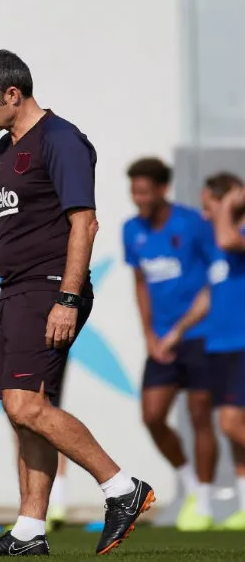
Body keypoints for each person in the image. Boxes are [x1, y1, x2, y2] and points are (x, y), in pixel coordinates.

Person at [0, 50, 153, 557]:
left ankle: (121, 488)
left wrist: (66, 297)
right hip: (17, 290)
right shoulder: (5, 148)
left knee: (26, 404)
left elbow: (83, 222)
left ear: (13, 94)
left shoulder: (62, 140)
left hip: (48, 289)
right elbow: (3, 232)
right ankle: (28, 531)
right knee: (23, 411)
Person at [121, 158, 217, 531]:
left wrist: (181, 328)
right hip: (161, 341)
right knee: (152, 416)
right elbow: (141, 283)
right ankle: (192, 485)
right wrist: (149, 335)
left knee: (198, 414)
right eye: (134, 191)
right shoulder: (132, 230)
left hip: (200, 334)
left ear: (163, 189)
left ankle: (205, 502)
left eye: (144, 191)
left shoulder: (192, 223)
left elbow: (215, 278)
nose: (138, 198)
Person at [159, 172, 245, 531]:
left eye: (209, 204)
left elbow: (226, 239)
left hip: (242, 344)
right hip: (219, 346)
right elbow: (208, 296)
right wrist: (178, 331)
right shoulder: (218, 246)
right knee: (232, 428)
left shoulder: (233, 234)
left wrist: (226, 206)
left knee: (229, 423)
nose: (205, 213)